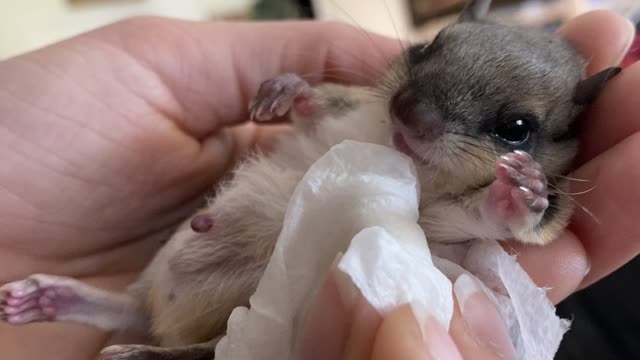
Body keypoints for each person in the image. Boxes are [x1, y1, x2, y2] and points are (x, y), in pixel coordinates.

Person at [0, 9, 637, 360]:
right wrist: (302, 97)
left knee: (281, 311)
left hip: (274, 270)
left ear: (554, 134)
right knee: (180, 261)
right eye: (421, 63)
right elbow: (341, 110)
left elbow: (514, 223)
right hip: (214, 231)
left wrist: (513, 209)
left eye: (513, 126)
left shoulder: (518, 181)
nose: (413, 116)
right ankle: (116, 306)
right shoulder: (380, 103)